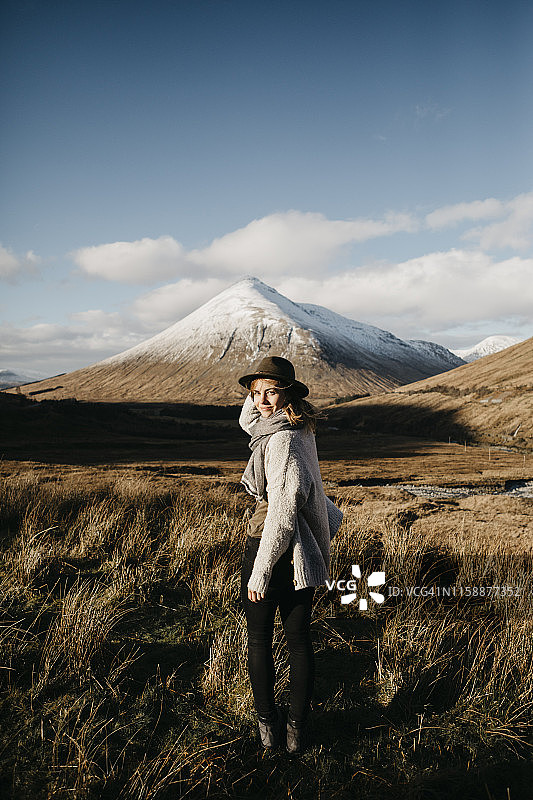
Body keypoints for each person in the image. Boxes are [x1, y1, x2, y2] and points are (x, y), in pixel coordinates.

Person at [238, 355, 343, 753]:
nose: (262, 400)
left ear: (288, 393)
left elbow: (282, 512)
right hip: (301, 546)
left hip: (275, 546)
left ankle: (270, 726)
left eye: (271, 392)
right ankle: (297, 730)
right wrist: (264, 391)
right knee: (299, 639)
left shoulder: (281, 439)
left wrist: (261, 571)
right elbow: (250, 421)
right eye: (255, 393)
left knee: (261, 639)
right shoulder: (294, 426)